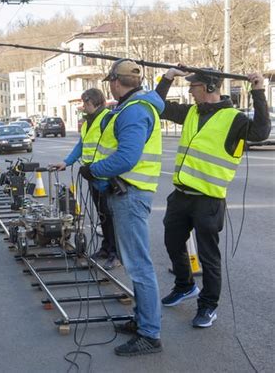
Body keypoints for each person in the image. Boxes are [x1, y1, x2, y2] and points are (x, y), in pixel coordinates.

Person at [156, 67, 270, 328]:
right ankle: (184, 286)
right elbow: (159, 107)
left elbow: (261, 132)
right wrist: (167, 77)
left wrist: (259, 92)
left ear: (208, 88)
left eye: (193, 86)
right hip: (181, 196)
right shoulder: (192, 112)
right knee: (173, 243)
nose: (189, 91)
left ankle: (208, 306)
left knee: (208, 257)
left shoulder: (234, 119)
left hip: (208, 200)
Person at [79, 59, 164, 356]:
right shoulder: (133, 106)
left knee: (139, 266)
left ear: (115, 81)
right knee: (134, 263)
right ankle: (142, 321)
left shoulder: (136, 110)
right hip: (126, 193)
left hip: (131, 195)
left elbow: (127, 157)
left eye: (110, 81)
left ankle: (150, 335)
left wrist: (94, 170)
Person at [54, 88, 121, 270]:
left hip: (107, 176)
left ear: (97, 103)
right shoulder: (87, 123)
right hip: (92, 175)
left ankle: (116, 254)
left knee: (110, 216)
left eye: (86, 103)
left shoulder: (108, 119)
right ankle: (106, 248)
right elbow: (81, 145)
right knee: (102, 216)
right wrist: (66, 162)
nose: (83, 106)